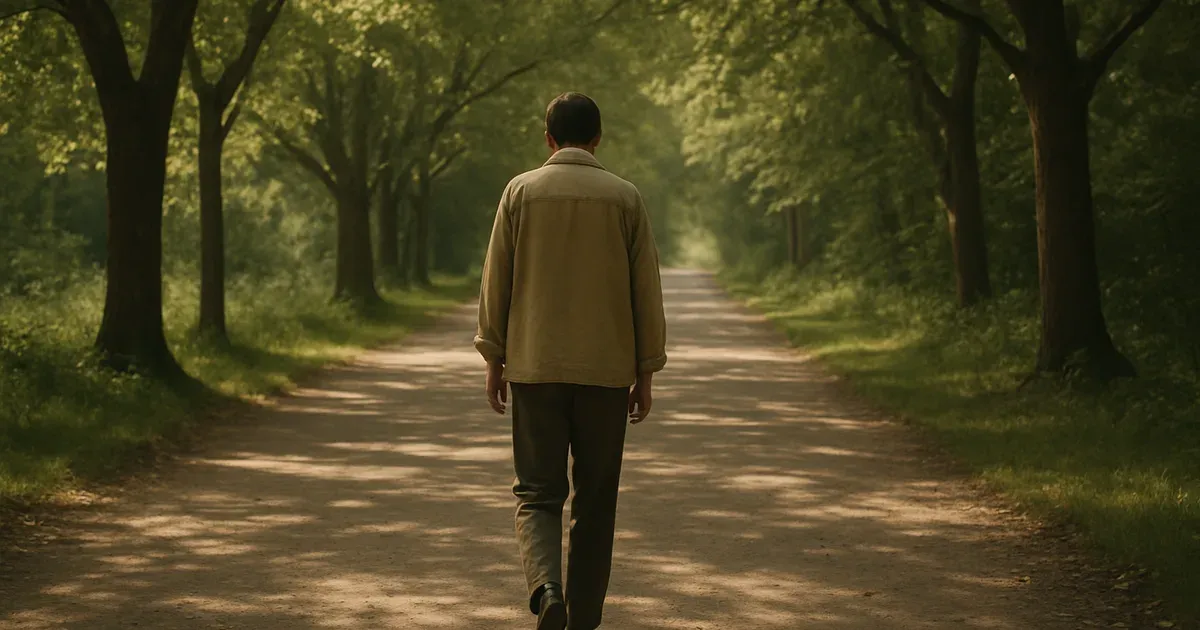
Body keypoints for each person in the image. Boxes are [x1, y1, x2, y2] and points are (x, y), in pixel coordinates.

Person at [474, 92, 668, 630]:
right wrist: (646, 370)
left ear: (549, 138)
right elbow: (645, 290)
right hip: (606, 374)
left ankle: (546, 590)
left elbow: (497, 280)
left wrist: (494, 357)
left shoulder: (520, 192)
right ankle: (583, 618)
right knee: (596, 499)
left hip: (535, 369)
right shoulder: (625, 198)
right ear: (598, 138)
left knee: (537, 492)